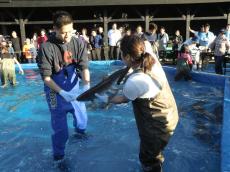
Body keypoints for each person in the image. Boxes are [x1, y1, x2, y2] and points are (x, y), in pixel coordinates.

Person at [95, 35, 179, 172]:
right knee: (157, 151)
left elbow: (123, 98)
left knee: (149, 160)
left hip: (156, 127)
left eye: (121, 53)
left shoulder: (134, 81)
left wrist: (105, 98)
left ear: (128, 57)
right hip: (171, 115)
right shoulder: (151, 57)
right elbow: (144, 42)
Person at [38, 10, 90, 166]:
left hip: (74, 86)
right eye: (63, 33)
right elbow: (46, 78)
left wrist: (87, 85)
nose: (67, 36)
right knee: (60, 129)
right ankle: (59, 158)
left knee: (82, 121)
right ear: (54, 29)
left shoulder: (77, 41)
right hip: (54, 90)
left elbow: (84, 67)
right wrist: (61, 92)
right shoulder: (46, 47)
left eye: (70, 31)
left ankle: (80, 135)